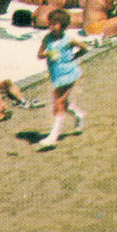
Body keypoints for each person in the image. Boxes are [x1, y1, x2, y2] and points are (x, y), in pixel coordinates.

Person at [36, 9, 88, 150]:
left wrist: (75, 57)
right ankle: (78, 114)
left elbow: (84, 48)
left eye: (54, 24)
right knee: (60, 101)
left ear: (63, 25)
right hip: (56, 73)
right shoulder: (47, 39)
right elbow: (39, 54)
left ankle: (54, 136)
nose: (51, 27)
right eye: (50, 24)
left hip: (69, 72)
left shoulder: (68, 39)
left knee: (58, 103)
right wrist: (48, 54)